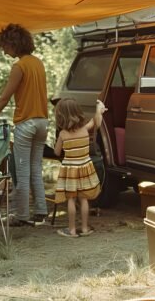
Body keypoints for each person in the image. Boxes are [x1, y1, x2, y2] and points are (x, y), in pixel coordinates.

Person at [0, 23, 49, 226]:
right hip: (43, 122)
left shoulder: (19, 66)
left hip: (26, 123)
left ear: (13, 44)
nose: (4, 52)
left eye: (5, 47)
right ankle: (41, 210)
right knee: (35, 168)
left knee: (21, 171)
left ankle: (21, 215)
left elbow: (4, 98)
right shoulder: (38, 63)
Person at [54, 98, 106, 237]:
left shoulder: (63, 134)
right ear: (78, 113)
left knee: (71, 199)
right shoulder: (85, 129)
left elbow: (57, 152)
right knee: (84, 199)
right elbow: (96, 120)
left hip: (70, 170)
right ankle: (84, 228)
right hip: (84, 168)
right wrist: (98, 108)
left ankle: (71, 230)